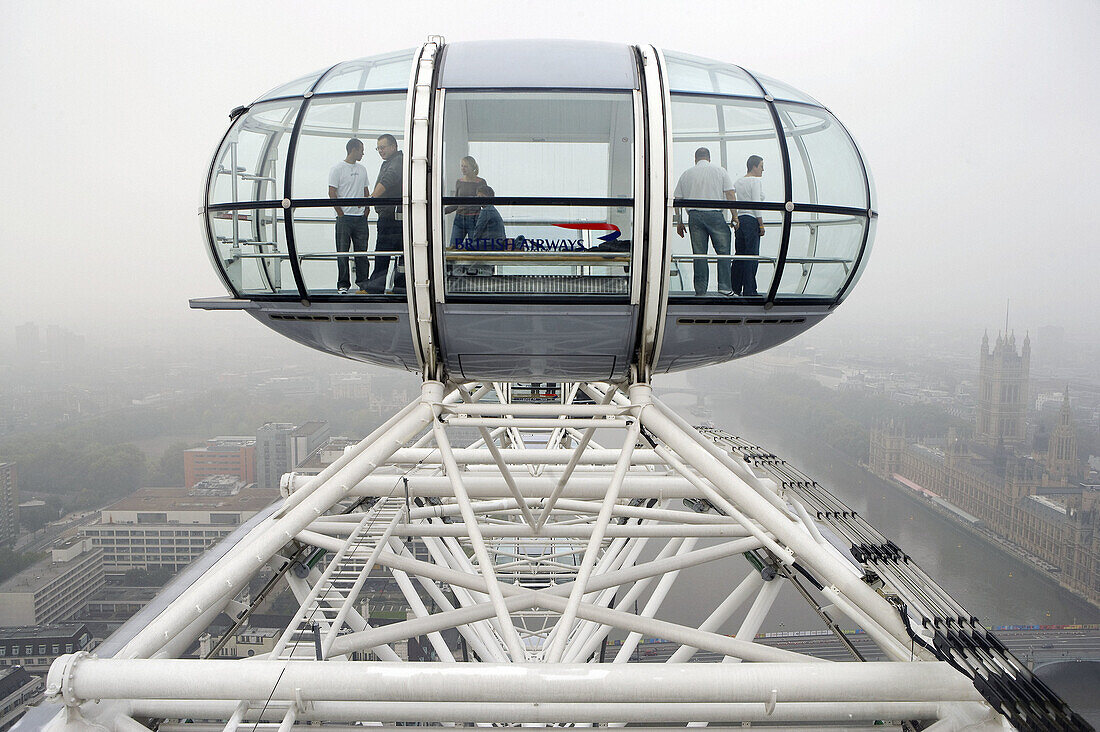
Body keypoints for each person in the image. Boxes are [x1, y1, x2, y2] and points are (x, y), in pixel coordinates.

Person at [674, 147, 736, 296]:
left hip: (694, 216)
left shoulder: (686, 174)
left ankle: (700, 290)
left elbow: (677, 199)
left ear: (695, 159)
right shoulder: (720, 171)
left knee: (699, 254)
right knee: (723, 252)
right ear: (709, 157)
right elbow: (730, 193)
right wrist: (735, 215)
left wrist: (680, 222)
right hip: (715, 214)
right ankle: (725, 287)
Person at [327, 138, 371, 293]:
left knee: (362, 252)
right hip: (344, 218)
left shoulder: (363, 169)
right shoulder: (337, 169)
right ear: (353, 149)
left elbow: (366, 190)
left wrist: (366, 209)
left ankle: (364, 284)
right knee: (343, 252)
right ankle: (343, 284)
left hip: (360, 218)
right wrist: (340, 212)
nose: (363, 153)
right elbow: (332, 192)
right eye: (361, 150)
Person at [364, 134, 404, 293]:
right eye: (378, 148)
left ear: (393, 146)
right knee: (399, 253)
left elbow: (389, 179)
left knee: (383, 252)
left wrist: (372, 197)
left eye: (383, 147)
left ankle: (375, 289)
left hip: (391, 217)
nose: (380, 151)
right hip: (393, 216)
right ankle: (400, 287)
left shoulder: (396, 162)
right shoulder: (393, 161)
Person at [732, 155, 766, 297]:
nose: (763, 169)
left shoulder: (738, 182)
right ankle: (750, 289)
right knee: (752, 256)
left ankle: (735, 287)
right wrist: (761, 224)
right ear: (754, 166)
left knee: (739, 255)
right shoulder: (755, 182)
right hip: (751, 220)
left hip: (740, 219)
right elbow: (756, 203)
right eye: (761, 166)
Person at [444, 156, 486, 249]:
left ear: (472, 167)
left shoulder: (480, 182)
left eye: (465, 166)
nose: (463, 168)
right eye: (462, 166)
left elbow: (485, 202)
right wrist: (442, 211)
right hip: (460, 219)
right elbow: (456, 203)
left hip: (474, 219)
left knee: (474, 249)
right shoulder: (459, 182)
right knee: (453, 248)